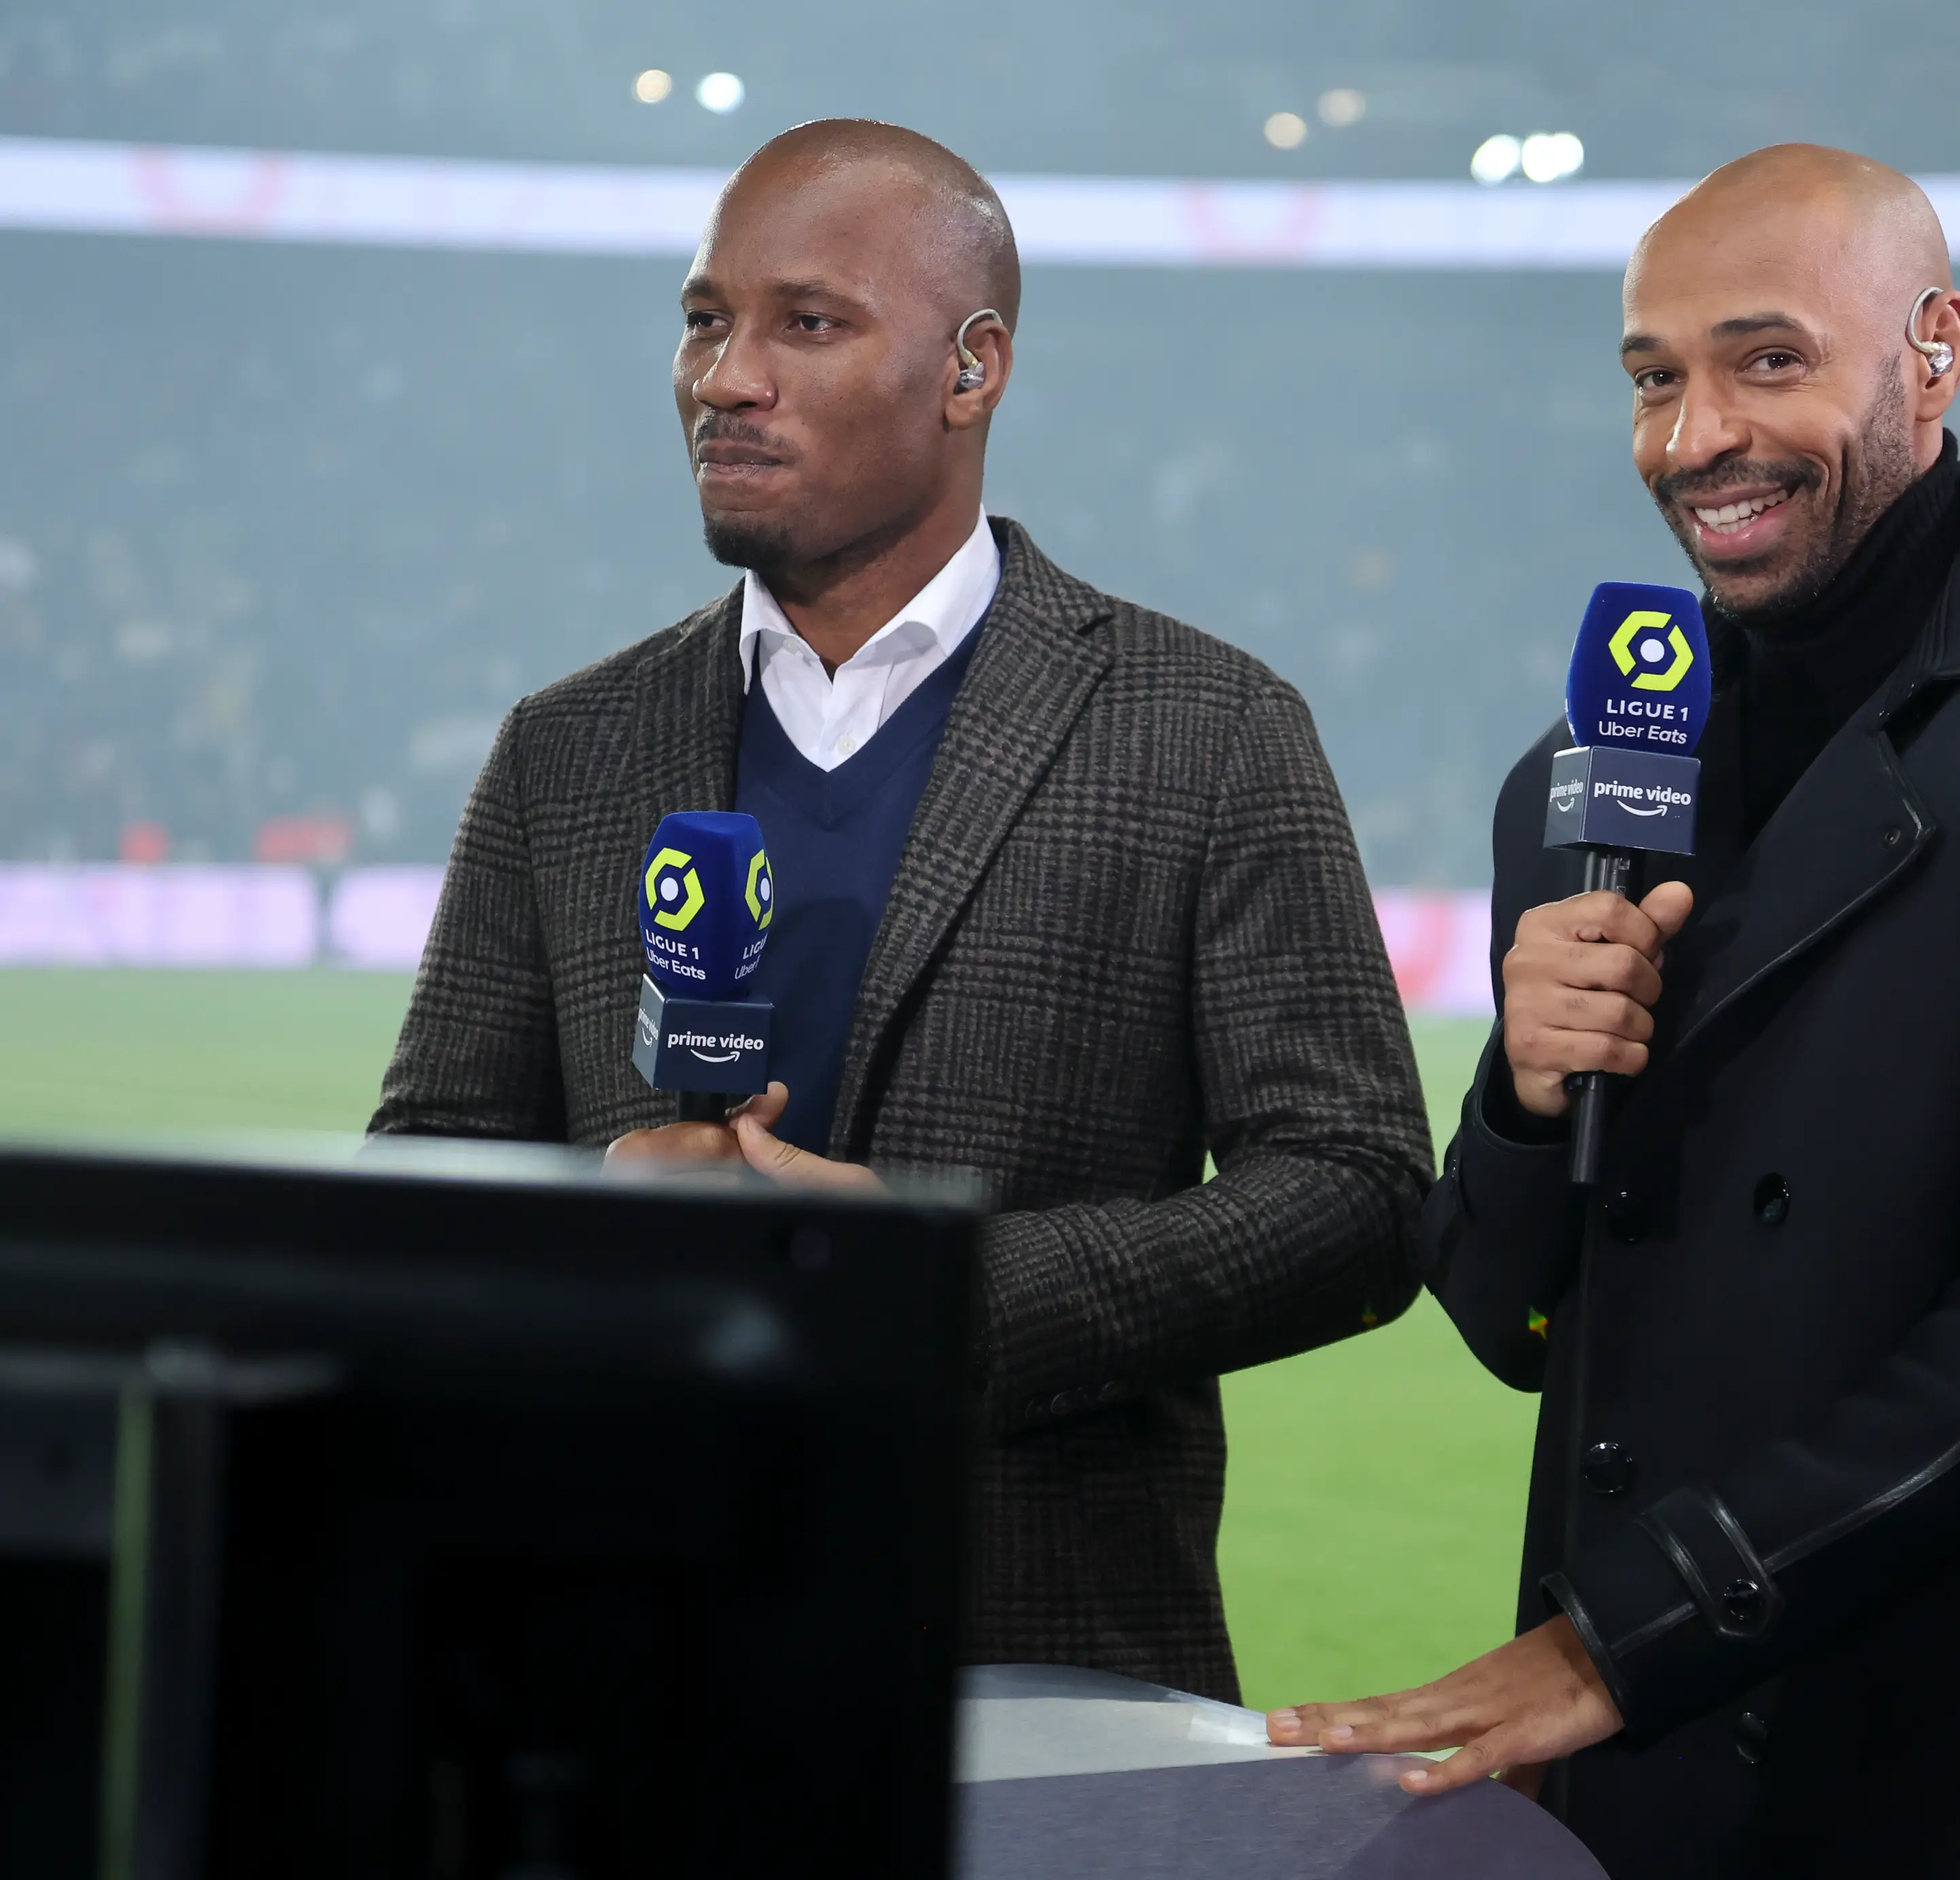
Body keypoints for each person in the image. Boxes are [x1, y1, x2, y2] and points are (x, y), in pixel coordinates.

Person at [1268, 144, 1960, 1877]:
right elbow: (1506, 1315)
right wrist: (1524, 1102)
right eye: (1654, 378)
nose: (1694, 440)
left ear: (1937, 346)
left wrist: (1631, 1632)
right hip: (1646, 1772)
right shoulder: (1578, 786)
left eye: (1767, 360)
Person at [371, 120, 1431, 1703]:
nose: (725, 378)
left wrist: (941, 1293)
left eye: (808, 323)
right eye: (705, 320)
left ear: (971, 367)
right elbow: (422, 1177)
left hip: (1042, 1683)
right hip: (620, 1669)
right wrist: (599, 1200)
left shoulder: (1207, 727)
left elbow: (1356, 1198)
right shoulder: (568, 748)